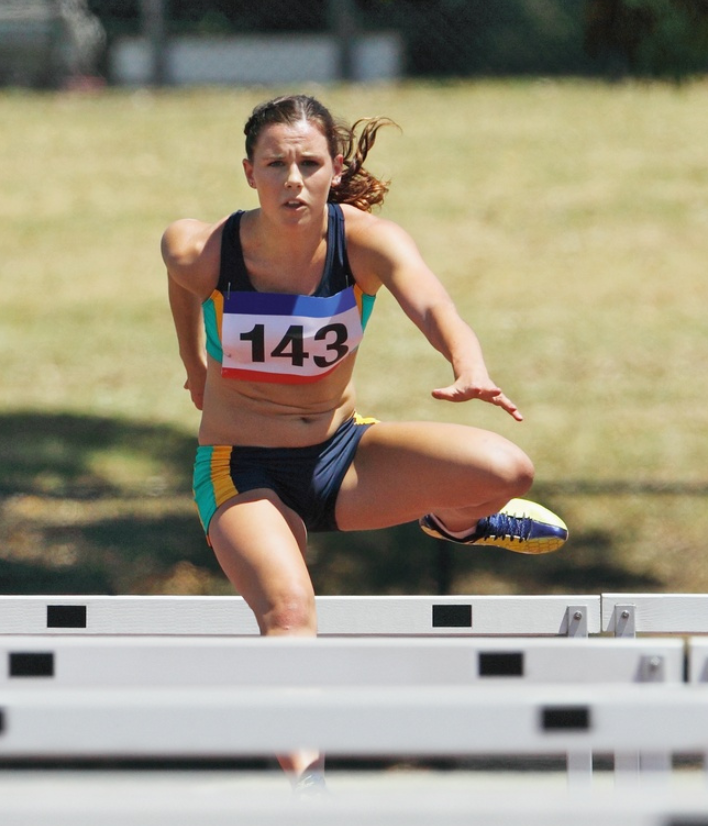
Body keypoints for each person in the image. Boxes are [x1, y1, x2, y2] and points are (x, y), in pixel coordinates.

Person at [161, 93, 567, 638]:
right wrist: (194, 364)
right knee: (288, 615)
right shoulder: (207, 250)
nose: (293, 180)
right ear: (249, 173)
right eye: (275, 165)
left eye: (309, 164)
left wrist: (468, 364)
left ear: (336, 169)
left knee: (507, 470)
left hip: (340, 455)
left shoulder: (367, 243)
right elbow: (181, 278)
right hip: (242, 468)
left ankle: (457, 523)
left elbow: (433, 306)